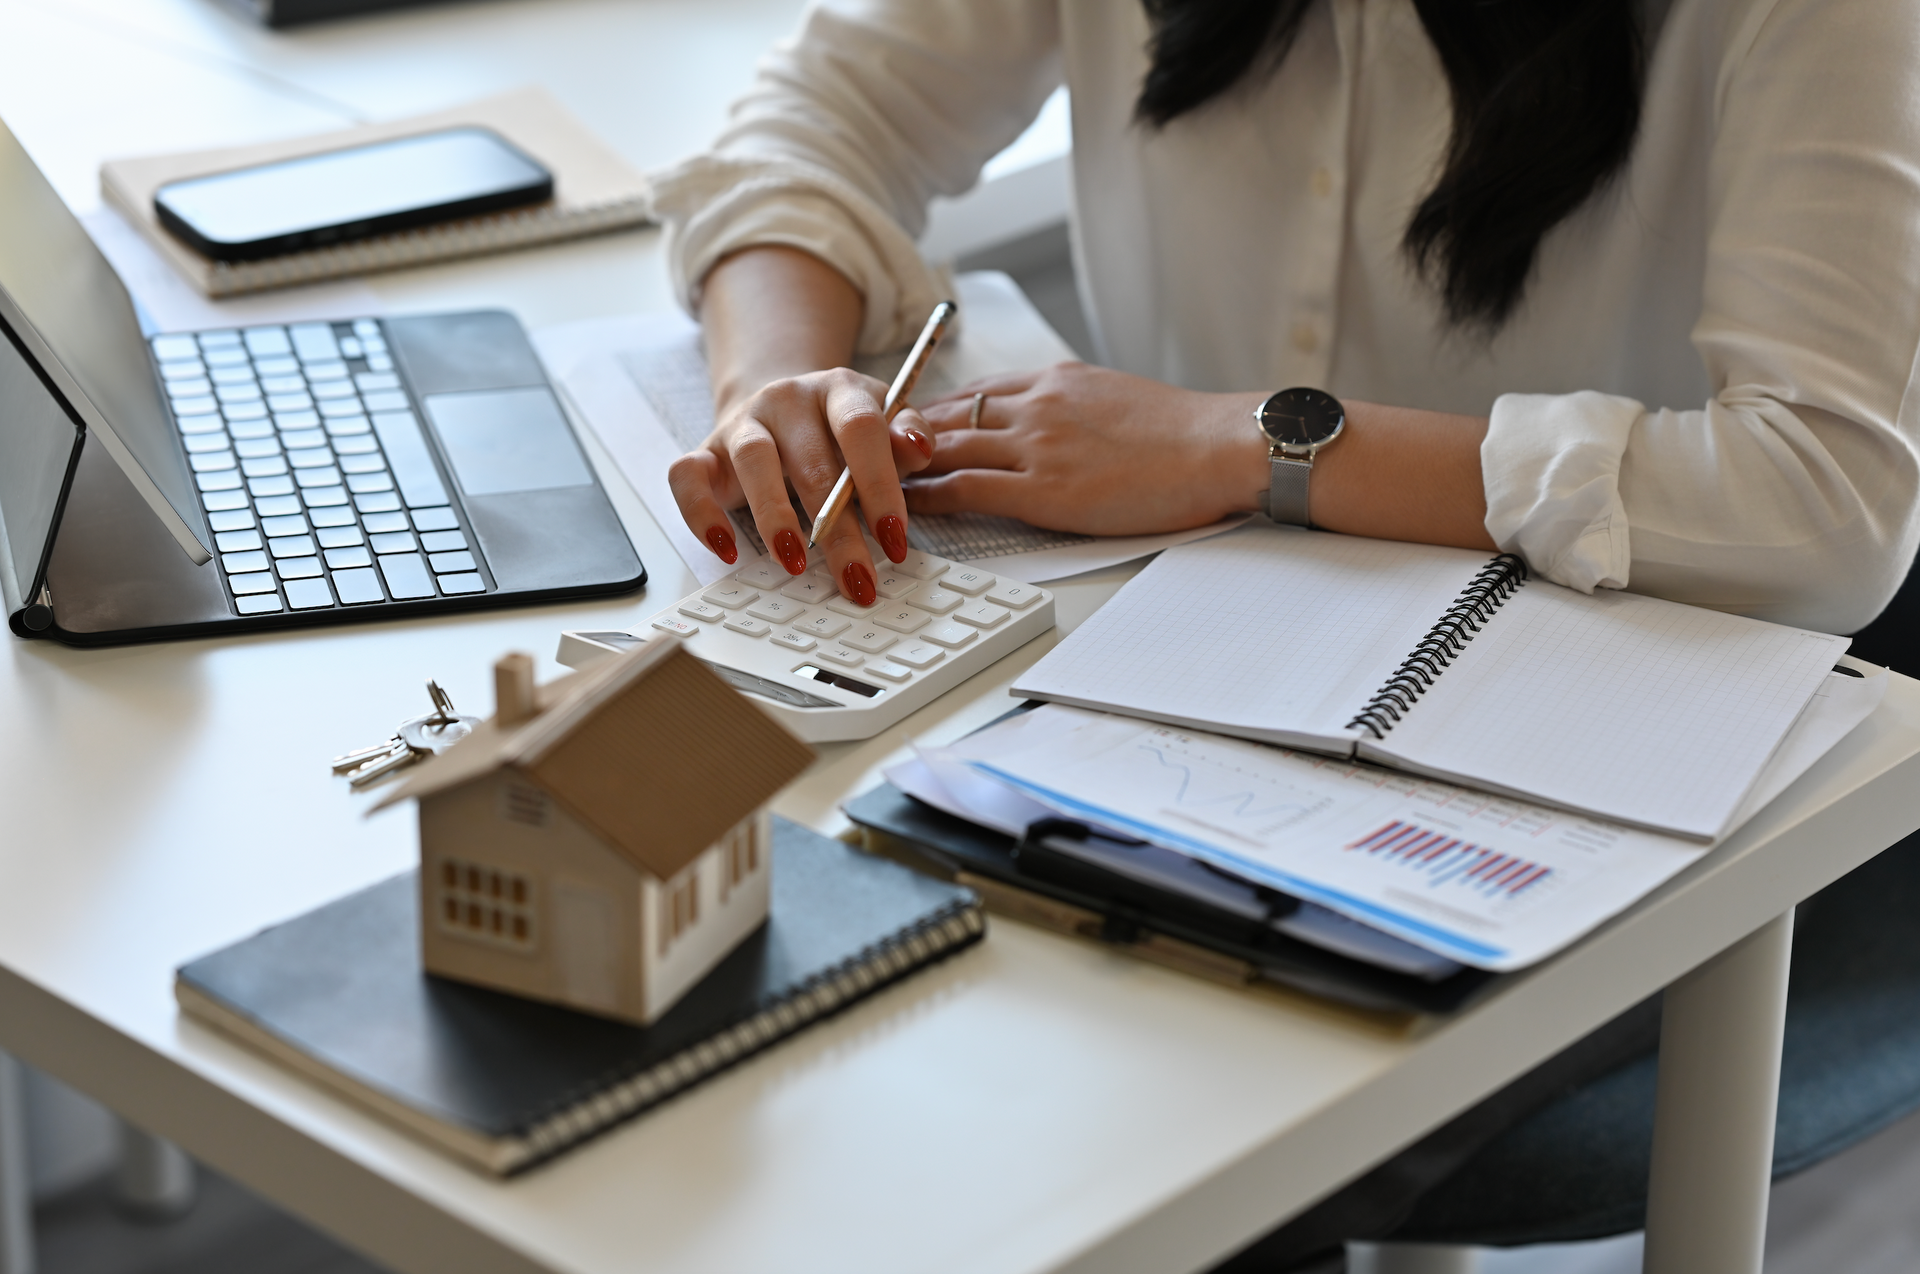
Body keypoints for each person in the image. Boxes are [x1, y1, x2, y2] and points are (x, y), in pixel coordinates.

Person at [650, 0, 1920, 1266]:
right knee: (846, 1054)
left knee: (1123, 1171)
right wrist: (771, 385)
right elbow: (820, 114)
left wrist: (1244, 443)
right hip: (1157, 665)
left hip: (1597, 714)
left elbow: (1826, 498)